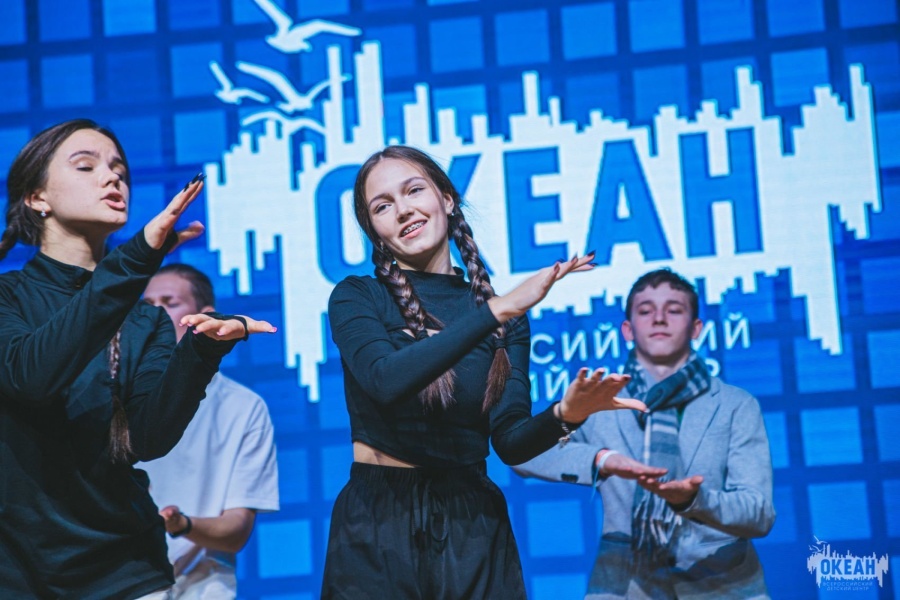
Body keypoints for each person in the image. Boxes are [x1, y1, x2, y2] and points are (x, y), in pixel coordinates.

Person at [321, 145, 648, 600]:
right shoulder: (357, 296)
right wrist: (496, 311)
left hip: (472, 522)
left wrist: (566, 414)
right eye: (383, 206)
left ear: (446, 199)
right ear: (374, 231)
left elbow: (510, 442)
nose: (403, 210)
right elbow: (385, 380)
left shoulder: (505, 317)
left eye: (414, 190)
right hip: (379, 519)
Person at [0, 119, 275, 600]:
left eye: (119, 171)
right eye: (86, 166)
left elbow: (147, 439)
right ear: (37, 197)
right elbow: (32, 377)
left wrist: (203, 350)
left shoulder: (146, 319)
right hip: (21, 571)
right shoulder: (9, 297)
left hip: (127, 570)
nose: (112, 177)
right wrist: (136, 258)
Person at [515, 269, 775, 599]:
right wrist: (599, 458)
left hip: (723, 584)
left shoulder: (735, 405)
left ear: (697, 328)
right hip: (624, 583)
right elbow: (522, 454)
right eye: (646, 310)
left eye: (674, 310)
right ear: (627, 329)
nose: (659, 319)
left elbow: (758, 513)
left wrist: (693, 500)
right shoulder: (599, 401)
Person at [139, 264, 280, 599]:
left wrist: (180, 524)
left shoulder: (243, 407)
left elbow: (236, 530)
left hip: (201, 587)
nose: (155, 314)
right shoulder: (112, 393)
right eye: (147, 306)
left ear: (206, 318)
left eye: (170, 303)